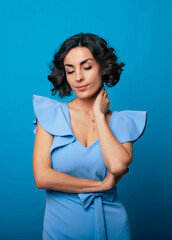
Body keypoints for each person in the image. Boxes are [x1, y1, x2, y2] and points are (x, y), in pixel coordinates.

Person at [32, 33, 147, 240]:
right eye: (70, 70)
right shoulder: (50, 114)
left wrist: (99, 117)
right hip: (61, 227)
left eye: (86, 67)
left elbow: (118, 166)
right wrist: (101, 185)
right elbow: (42, 177)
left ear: (102, 68)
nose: (78, 78)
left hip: (112, 225)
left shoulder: (122, 121)